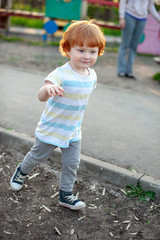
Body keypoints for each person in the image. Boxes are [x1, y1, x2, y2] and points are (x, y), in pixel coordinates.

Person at [10, 20, 105, 210]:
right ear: (68, 49)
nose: (87, 56)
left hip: (72, 130)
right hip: (52, 127)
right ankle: (21, 171)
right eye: (81, 50)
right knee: (37, 157)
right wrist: (49, 89)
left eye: (92, 51)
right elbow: (41, 95)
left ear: (99, 52)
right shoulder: (60, 73)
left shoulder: (92, 75)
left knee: (72, 164)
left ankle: (65, 195)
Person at [117, 0, 160, 79]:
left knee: (134, 46)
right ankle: (121, 70)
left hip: (142, 19)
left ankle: (129, 71)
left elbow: (150, 6)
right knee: (125, 44)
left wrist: (158, 18)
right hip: (129, 15)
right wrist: (121, 17)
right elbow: (123, 2)